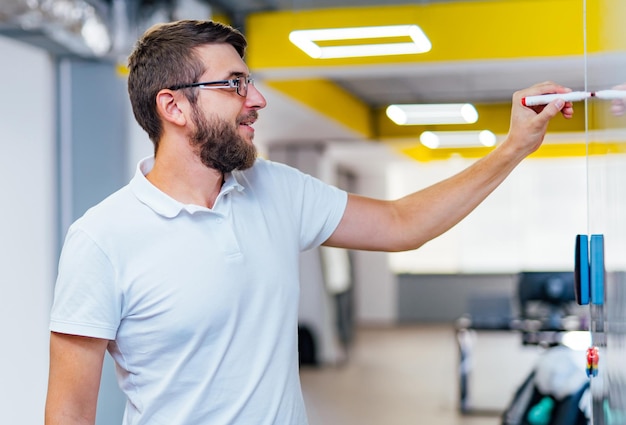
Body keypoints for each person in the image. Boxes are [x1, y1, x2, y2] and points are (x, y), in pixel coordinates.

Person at [44, 19, 575, 425]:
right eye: (234, 85)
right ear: (174, 107)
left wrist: (513, 148)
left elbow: (401, 223)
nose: (257, 99)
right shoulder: (102, 239)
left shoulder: (276, 188)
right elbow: (68, 412)